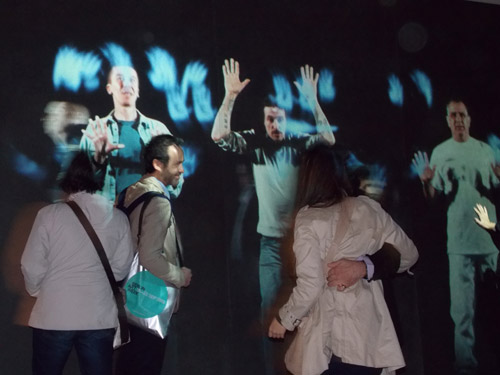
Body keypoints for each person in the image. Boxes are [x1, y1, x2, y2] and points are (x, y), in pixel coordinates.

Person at [268, 144, 419, 375]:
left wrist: (284, 319)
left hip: (332, 341)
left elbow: (311, 284)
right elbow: (409, 253)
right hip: (370, 340)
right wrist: (365, 266)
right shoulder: (369, 209)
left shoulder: (309, 218)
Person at [211, 58, 335, 323]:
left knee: (311, 309)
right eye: (270, 120)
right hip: (270, 245)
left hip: (302, 240)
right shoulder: (256, 143)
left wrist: (313, 101)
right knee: (272, 313)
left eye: (279, 120)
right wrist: (230, 96)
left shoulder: (297, 143)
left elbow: (328, 139)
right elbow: (219, 136)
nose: (275, 126)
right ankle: (275, 364)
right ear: (264, 120)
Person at [20, 152, 134, 375]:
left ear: (68, 177)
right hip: (99, 316)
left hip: (54, 315)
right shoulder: (118, 218)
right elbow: (121, 268)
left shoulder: (48, 214)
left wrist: (36, 291)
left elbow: (30, 265)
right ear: (101, 178)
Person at [412, 100, 500, 375]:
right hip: (458, 240)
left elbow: (494, 187)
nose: (459, 119)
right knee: (462, 311)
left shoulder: (484, 150)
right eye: (454, 115)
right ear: (448, 120)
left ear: (469, 119)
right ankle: (465, 366)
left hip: (487, 235)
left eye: (463, 114)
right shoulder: (441, 152)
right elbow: (432, 198)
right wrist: (426, 182)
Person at [114, 134, 192, 375]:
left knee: (128, 364)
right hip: (150, 300)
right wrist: (180, 276)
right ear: (158, 164)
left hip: (128, 294)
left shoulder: (126, 194)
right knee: (146, 364)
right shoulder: (159, 202)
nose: (181, 170)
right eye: (177, 163)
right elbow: (150, 256)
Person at [80, 65, 182, 202]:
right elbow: (81, 185)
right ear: (109, 88)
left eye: (132, 80)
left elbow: (176, 187)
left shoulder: (159, 130)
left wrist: (161, 165)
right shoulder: (96, 131)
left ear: (138, 90)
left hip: (148, 215)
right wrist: (98, 161)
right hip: (109, 218)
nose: (127, 84)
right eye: (120, 78)